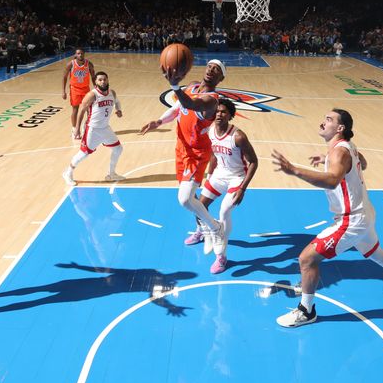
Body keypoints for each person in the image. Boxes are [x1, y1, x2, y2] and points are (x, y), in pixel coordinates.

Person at [271, 109, 383, 327]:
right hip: (365, 213)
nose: (322, 121)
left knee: (307, 259)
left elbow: (333, 180)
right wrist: (329, 158)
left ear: (340, 128)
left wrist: (295, 170)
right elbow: (362, 163)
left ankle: (306, 311)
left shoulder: (340, 152)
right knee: (376, 253)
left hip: (351, 219)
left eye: (328, 119)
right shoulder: (347, 147)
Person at [140, 59, 228, 251]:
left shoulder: (212, 100)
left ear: (220, 78)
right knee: (192, 195)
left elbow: (189, 103)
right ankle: (201, 228)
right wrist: (158, 121)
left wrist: (174, 86)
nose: (211, 70)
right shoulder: (193, 86)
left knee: (185, 199)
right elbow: (179, 107)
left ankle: (215, 227)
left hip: (196, 153)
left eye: (217, 70)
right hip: (181, 148)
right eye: (210, 66)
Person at [182, 98, 258, 274]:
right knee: (198, 205)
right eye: (217, 111)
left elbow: (254, 162)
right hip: (219, 174)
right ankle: (202, 231)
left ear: (231, 115)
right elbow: (213, 154)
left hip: (236, 177)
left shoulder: (238, 136)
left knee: (224, 211)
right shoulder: (209, 131)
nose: (219, 114)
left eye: (223, 112)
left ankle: (221, 257)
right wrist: (207, 175)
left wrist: (242, 188)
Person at [63, 71, 124, 185]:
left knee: (118, 149)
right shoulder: (92, 95)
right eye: (100, 79)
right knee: (84, 154)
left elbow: (117, 101)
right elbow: (81, 110)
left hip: (105, 128)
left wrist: (118, 110)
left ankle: (111, 174)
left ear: (108, 80)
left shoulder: (112, 93)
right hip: (93, 129)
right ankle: (68, 173)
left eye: (104, 79)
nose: (103, 81)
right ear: (95, 82)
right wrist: (77, 128)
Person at [62, 49, 96, 139]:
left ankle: (87, 127)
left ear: (84, 54)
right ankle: (74, 129)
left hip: (86, 89)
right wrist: (63, 91)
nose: (80, 55)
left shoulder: (89, 64)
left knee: (89, 110)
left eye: (81, 53)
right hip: (74, 89)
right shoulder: (71, 64)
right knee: (75, 110)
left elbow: (93, 76)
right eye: (78, 53)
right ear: (75, 55)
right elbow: (64, 77)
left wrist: (96, 89)